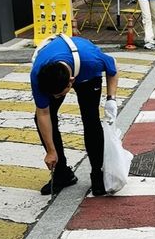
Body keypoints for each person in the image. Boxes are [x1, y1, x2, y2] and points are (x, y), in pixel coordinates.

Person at [30, 35, 118, 196]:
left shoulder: (92, 60)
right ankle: (62, 173)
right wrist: (50, 151)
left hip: (86, 73)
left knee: (90, 118)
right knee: (42, 118)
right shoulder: (39, 73)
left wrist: (111, 99)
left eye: (59, 94)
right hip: (58, 67)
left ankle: (98, 173)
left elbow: (112, 69)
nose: (56, 97)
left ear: (71, 82)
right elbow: (43, 113)